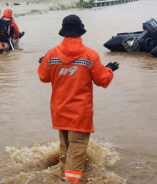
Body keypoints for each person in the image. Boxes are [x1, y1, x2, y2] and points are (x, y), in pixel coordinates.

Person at [37, 14, 119, 182]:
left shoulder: (51, 54)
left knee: (66, 147)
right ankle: (72, 179)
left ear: (64, 31)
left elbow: (43, 77)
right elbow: (102, 80)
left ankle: (60, 173)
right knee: (78, 149)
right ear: (80, 32)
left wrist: (44, 63)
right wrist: (109, 70)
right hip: (80, 113)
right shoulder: (90, 55)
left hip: (59, 110)